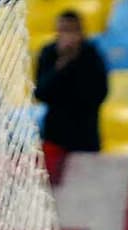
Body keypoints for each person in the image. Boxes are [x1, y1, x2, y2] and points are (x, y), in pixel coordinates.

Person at [34, 10, 108, 152]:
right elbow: (40, 93)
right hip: (55, 135)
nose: (68, 36)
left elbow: (100, 93)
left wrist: (76, 63)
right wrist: (61, 65)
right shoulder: (48, 53)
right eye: (63, 31)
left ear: (81, 32)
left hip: (86, 135)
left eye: (71, 31)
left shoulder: (91, 54)